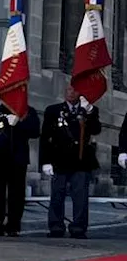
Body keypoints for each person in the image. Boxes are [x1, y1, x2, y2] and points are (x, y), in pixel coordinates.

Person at [40, 86, 101, 239]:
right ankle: (56, 226)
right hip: (59, 159)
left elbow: (96, 130)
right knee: (57, 195)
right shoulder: (53, 110)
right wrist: (45, 161)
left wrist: (89, 111)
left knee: (80, 197)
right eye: (68, 90)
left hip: (81, 161)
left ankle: (78, 227)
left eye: (75, 90)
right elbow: (45, 137)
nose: (71, 93)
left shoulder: (88, 111)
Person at [0, 104, 40, 237]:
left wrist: (20, 122)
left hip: (18, 159)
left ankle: (13, 226)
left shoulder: (28, 111)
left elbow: (35, 132)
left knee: (17, 194)